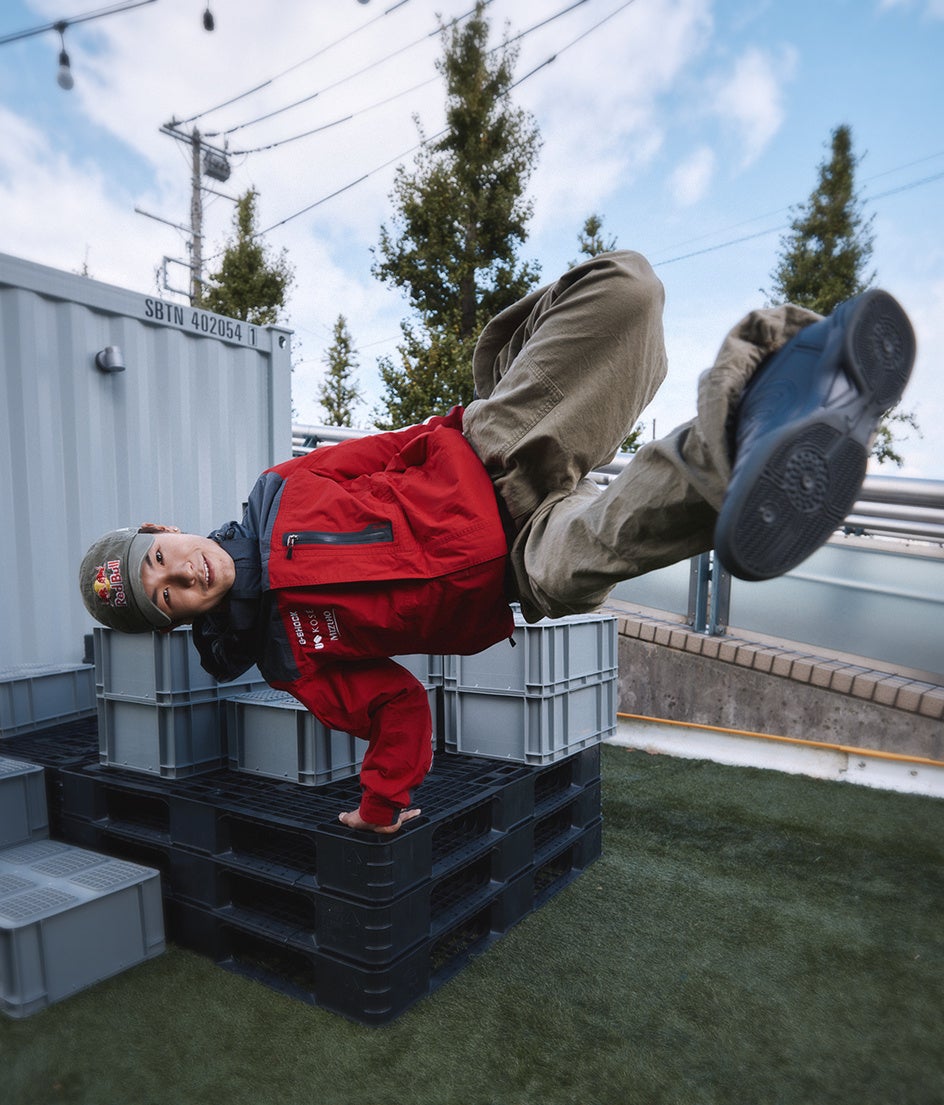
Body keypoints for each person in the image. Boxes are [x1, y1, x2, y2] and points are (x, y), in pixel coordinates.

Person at [79, 252, 915, 833]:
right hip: (515, 568)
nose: (183, 576)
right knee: (596, 552)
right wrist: (379, 805)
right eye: (169, 598)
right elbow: (397, 707)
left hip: (492, 455)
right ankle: (771, 404)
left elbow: (395, 447)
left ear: (163, 530)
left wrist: (494, 409)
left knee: (630, 290)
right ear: (180, 619)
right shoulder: (287, 658)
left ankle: (794, 375)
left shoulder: (280, 488)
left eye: (161, 560)